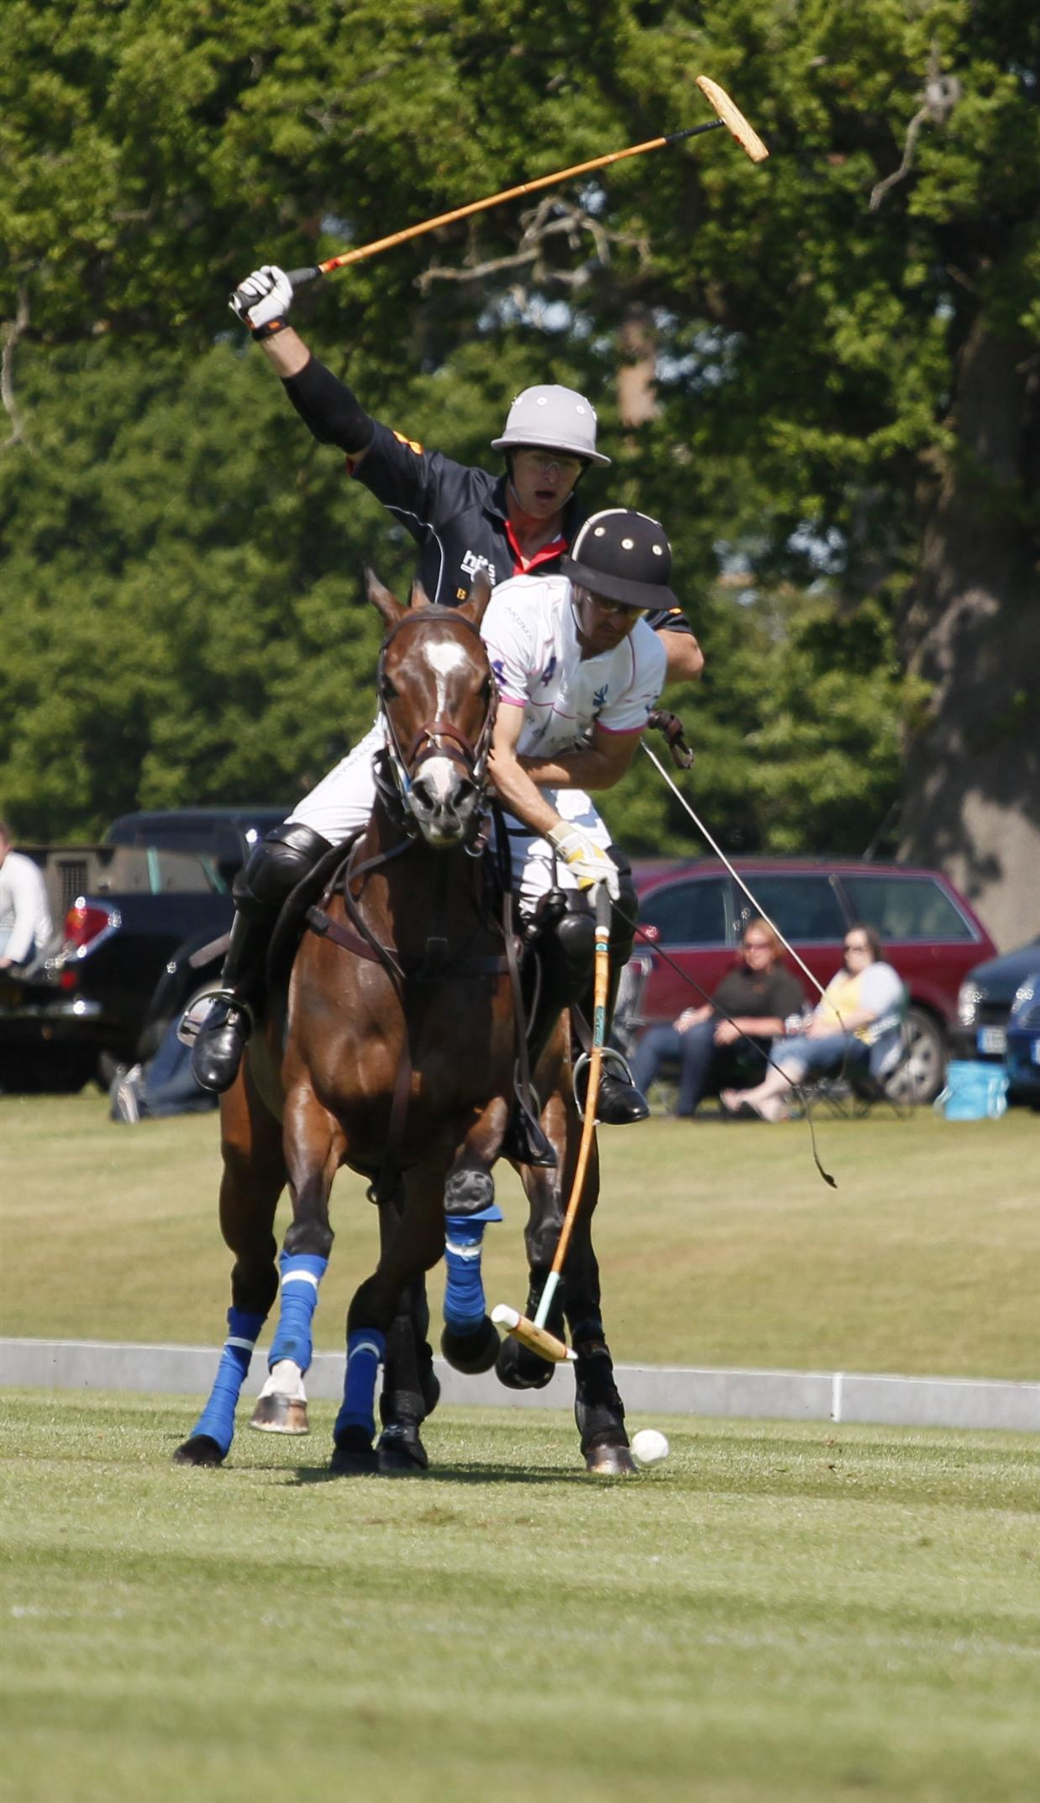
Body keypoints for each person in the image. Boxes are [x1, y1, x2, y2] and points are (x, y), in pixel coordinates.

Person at [189, 264, 703, 1103]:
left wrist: (607, 636)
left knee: (595, 908)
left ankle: (574, 1057)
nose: (551, 476)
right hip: (423, 740)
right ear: (511, 455)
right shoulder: (448, 495)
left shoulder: (598, 552)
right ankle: (235, 1004)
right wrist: (274, 331)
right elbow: (347, 424)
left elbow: (684, 652)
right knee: (282, 860)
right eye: (538, 457)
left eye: (568, 465)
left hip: (533, 758)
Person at [479, 507, 673, 1132]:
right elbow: (489, 755)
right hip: (453, 776)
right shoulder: (520, 611)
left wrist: (534, 773)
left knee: (613, 893)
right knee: (297, 853)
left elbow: (607, 766)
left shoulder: (642, 655)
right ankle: (236, 1002)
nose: (618, 621)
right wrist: (560, 833)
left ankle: (597, 1056)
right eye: (609, 603)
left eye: (633, 609)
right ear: (578, 585)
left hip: (536, 776)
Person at [721, 924, 905, 1120]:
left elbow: (869, 1014)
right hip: (829, 1041)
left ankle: (751, 1097)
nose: (851, 954)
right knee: (784, 1048)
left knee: (804, 1051)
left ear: (873, 950)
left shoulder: (881, 974)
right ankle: (770, 1106)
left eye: (858, 948)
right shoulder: (842, 977)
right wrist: (815, 1026)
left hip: (863, 1043)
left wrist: (829, 1030)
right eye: (846, 948)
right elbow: (822, 1010)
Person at [629, 918, 806, 1116]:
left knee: (698, 1036)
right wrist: (694, 1017)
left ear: (774, 949)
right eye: (748, 946)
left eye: (760, 946)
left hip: (748, 1046)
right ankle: (632, 1105)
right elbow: (715, 1005)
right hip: (711, 1033)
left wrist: (740, 1026)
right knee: (656, 1038)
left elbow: (781, 1025)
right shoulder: (738, 976)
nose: (753, 952)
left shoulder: (784, 982)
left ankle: (684, 1109)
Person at [0, 822, 53, 971]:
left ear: (7, 847)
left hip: (33, 944)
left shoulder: (21, 871)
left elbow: (26, 920)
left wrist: (9, 958)